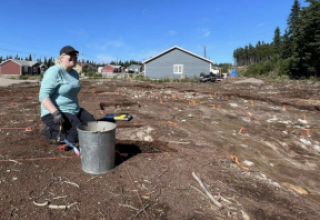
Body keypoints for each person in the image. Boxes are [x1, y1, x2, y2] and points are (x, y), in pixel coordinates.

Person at [39, 46, 95, 143]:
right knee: (78, 135)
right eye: (71, 54)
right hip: (56, 112)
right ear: (61, 57)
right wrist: (55, 113)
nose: (74, 57)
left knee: (93, 127)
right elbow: (43, 96)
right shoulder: (54, 71)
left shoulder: (74, 73)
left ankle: (70, 125)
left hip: (74, 110)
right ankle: (50, 131)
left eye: (75, 55)